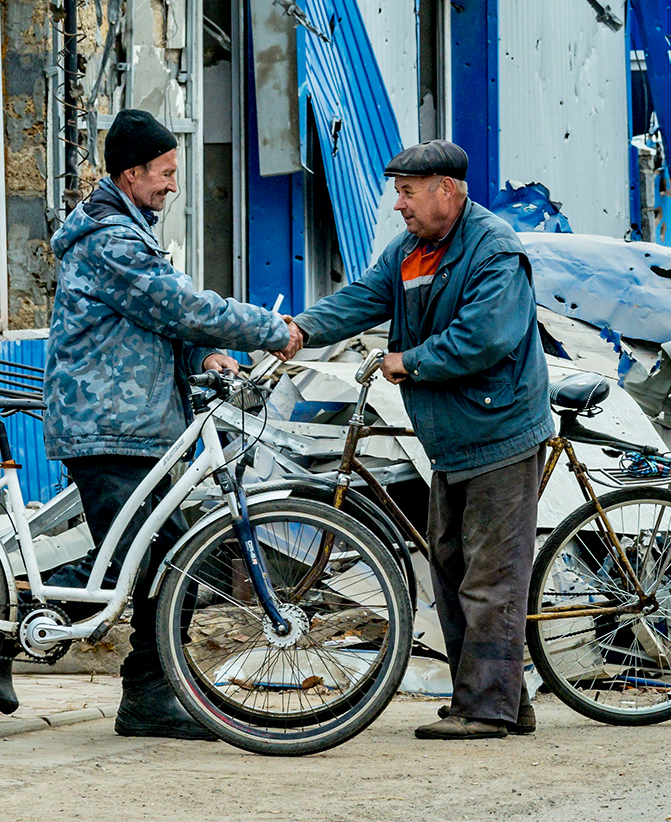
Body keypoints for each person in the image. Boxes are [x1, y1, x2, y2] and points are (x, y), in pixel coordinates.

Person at [280, 140, 550, 741]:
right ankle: (499, 699)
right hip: (453, 437)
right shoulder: (411, 251)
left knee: (490, 577)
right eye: (396, 191)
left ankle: (486, 710)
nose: (398, 204)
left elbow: (485, 337)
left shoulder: (494, 249)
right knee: (452, 570)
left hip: (499, 430)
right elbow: (361, 298)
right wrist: (301, 328)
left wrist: (412, 362)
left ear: (445, 191)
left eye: (407, 191)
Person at [40, 108, 292, 739]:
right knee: (138, 560)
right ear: (131, 173)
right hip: (107, 424)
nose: (173, 185)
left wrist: (201, 353)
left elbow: (158, 320)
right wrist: (267, 329)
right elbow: (174, 303)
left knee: (167, 560)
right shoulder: (110, 240)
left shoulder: (133, 229)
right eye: (165, 172)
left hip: (137, 423)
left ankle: (151, 695)